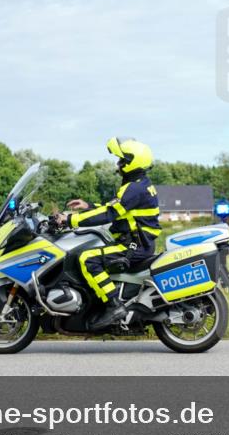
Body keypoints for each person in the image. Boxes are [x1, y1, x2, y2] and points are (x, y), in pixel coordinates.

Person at [53, 137, 161, 329]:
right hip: (138, 242)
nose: (118, 164)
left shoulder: (134, 189)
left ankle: (113, 306)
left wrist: (69, 219)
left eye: (121, 160)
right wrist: (88, 206)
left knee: (87, 258)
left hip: (133, 246)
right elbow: (113, 207)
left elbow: (109, 213)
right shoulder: (138, 184)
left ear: (131, 162)